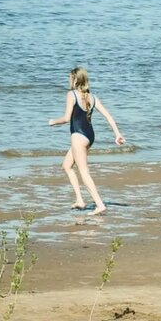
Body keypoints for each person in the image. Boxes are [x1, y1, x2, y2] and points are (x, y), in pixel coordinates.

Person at [47, 67, 125, 214]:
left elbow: (66, 118)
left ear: (75, 80)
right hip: (89, 136)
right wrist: (117, 134)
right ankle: (80, 200)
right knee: (66, 165)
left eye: (70, 78)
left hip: (78, 137)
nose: (68, 81)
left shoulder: (71, 95)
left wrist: (53, 122)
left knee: (84, 172)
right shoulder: (93, 97)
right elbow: (108, 116)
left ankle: (100, 204)